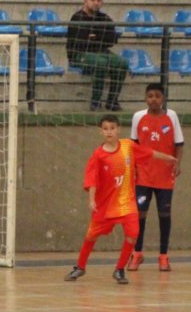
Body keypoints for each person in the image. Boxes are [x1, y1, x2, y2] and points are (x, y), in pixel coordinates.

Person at [65, 115, 176, 285]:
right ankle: (80, 266)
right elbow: (91, 180)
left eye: (112, 128)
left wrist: (168, 158)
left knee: (133, 234)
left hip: (127, 203)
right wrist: (91, 200)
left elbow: (149, 153)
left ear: (118, 129)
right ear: (100, 131)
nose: (109, 132)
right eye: (105, 129)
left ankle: (119, 269)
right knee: (91, 236)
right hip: (106, 205)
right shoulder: (98, 155)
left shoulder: (128, 146)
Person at [128, 83, 184, 273]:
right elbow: (133, 146)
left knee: (164, 214)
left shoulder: (172, 116)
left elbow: (179, 143)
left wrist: (177, 163)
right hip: (143, 175)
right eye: (150, 96)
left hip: (164, 175)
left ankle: (163, 255)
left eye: (158, 96)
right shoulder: (138, 117)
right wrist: (133, 168)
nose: (154, 99)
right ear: (145, 98)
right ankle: (137, 253)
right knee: (140, 213)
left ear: (163, 98)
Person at [66, 0, 129, 112]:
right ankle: (95, 102)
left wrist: (94, 37)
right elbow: (80, 42)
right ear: (85, 1)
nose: (96, 3)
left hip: (102, 52)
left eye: (99, 0)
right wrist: (99, 38)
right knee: (100, 63)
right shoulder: (77, 18)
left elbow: (112, 39)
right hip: (79, 54)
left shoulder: (104, 18)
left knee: (121, 63)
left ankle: (112, 102)